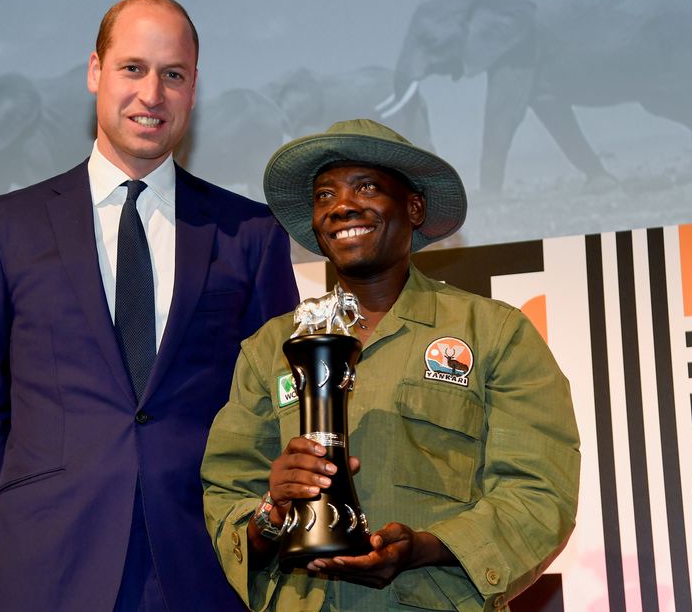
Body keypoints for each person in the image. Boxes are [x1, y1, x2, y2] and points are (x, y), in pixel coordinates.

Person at [0, 0, 298, 611]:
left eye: (173, 75)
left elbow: (276, 400)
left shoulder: (252, 234)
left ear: (194, 89)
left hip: (204, 566)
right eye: (133, 67)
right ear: (95, 72)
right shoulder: (4, 227)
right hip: (48, 567)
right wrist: (49, 498)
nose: (152, 94)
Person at [201, 119, 580, 611]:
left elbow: (539, 493)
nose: (341, 206)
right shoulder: (272, 347)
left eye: (367, 187)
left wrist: (425, 548)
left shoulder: (494, 333)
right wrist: (273, 512)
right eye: (324, 195)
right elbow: (227, 490)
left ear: (414, 207)